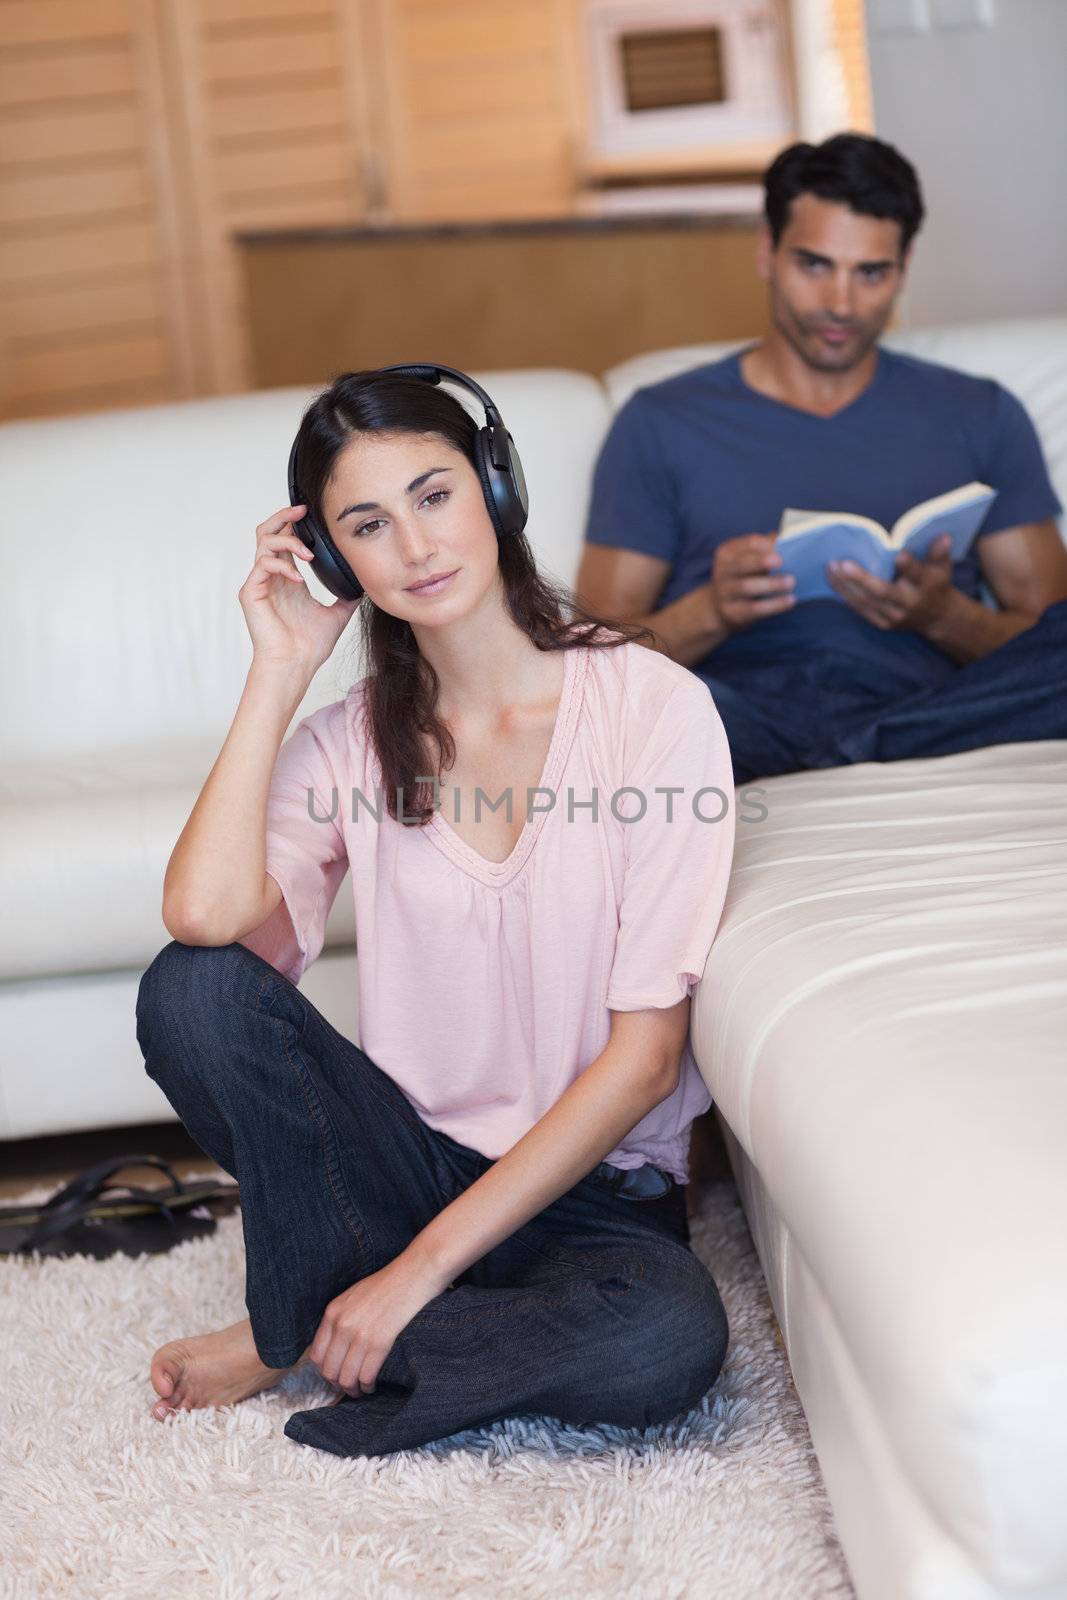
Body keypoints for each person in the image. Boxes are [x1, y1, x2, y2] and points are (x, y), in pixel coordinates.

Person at [134, 366, 736, 1461]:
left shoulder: (654, 709)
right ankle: (352, 1318)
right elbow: (203, 911)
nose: (413, 546)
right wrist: (279, 669)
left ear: (494, 492)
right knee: (190, 990)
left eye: (433, 494)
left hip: (593, 1197)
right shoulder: (343, 740)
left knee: (662, 1342)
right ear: (334, 560)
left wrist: (418, 1271)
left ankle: (305, 1332)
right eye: (366, 524)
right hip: (403, 1166)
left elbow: (645, 1062)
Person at [576, 133, 1067, 784]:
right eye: (814, 265)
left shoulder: (978, 413)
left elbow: (1042, 635)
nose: (840, 304)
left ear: (904, 266)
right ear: (766, 252)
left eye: (870, 273)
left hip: (930, 713)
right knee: (609, 713)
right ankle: (857, 753)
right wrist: (712, 610)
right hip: (740, 714)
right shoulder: (660, 421)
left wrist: (946, 617)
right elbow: (596, 661)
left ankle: (846, 753)